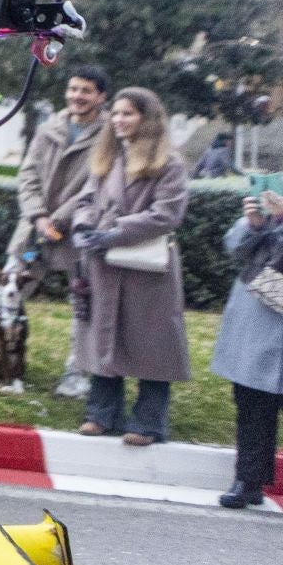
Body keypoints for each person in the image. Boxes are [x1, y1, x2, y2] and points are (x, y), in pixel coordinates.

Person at [0, 65, 111, 398]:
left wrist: (60, 219)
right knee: (9, 285)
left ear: (101, 96)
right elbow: (27, 175)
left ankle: (77, 371)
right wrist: (39, 216)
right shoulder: (49, 127)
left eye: (86, 91)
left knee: (83, 302)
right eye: (73, 89)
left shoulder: (109, 135)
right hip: (35, 234)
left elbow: (98, 185)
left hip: (78, 233)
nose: (77, 96)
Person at [211, 139, 283, 529]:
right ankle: (248, 481)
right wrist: (255, 224)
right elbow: (233, 246)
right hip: (260, 312)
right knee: (253, 402)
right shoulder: (270, 198)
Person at [70, 86, 190, 446]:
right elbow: (86, 200)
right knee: (104, 335)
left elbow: (166, 214)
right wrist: (82, 227)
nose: (119, 120)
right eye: (117, 113)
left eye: (128, 114)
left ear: (146, 118)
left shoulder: (170, 163)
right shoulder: (108, 158)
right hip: (103, 266)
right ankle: (101, 413)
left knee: (152, 344)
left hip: (146, 270)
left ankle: (149, 420)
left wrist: (113, 233)